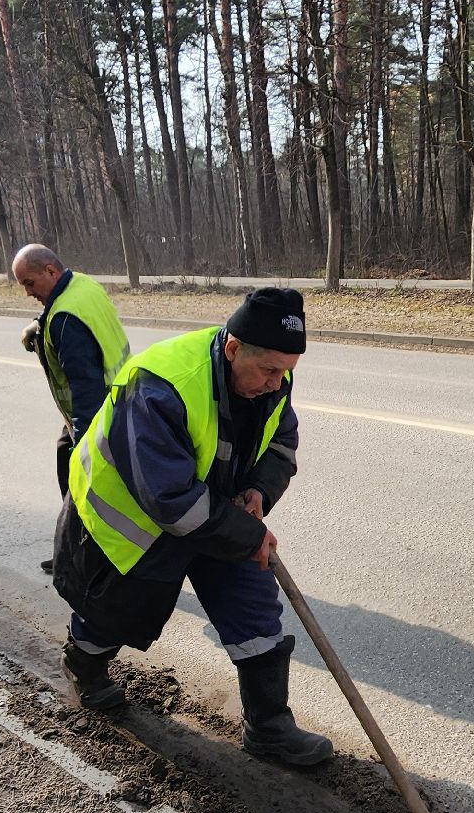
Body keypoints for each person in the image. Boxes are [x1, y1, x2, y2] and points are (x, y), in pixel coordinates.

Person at [51, 288, 330, 767]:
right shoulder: (163, 385)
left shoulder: (270, 379)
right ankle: (84, 666)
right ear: (233, 348)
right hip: (134, 523)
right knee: (113, 615)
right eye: (269, 371)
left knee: (254, 608)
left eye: (286, 372)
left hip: (211, 511)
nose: (276, 383)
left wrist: (259, 492)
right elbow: (171, 501)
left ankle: (268, 727)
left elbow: (281, 445)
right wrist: (246, 534)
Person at [11, 244, 129, 497]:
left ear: (50, 271)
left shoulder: (66, 323)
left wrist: (86, 451)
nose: (28, 293)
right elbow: (59, 305)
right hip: (126, 397)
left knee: (78, 486)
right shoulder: (83, 284)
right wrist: (39, 324)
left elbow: (86, 389)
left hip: (102, 417)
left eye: (30, 283)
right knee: (65, 455)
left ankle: (80, 530)